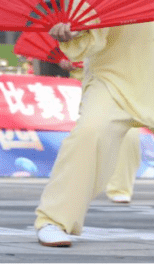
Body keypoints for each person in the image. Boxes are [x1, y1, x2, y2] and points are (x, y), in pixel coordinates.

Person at [35, 0, 154, 247]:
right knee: (88, 135)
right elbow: (85, 17)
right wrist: (72, 31)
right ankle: (54, 220)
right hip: (113, 77)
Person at [55, 58, 144, 205]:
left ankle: (120, 188)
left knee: (129, 133)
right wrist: (69, 55)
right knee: (90, 131)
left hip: (128, 75)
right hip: (96, 76)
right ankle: (77, 183)